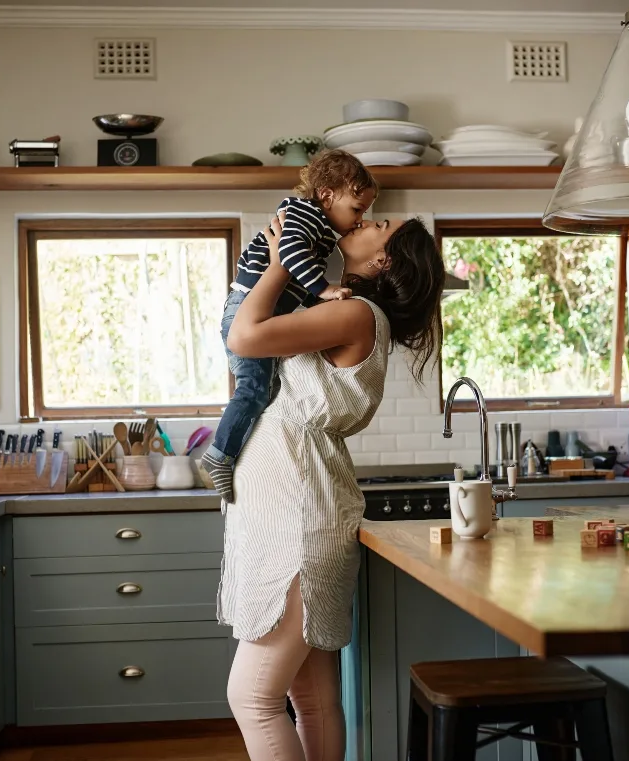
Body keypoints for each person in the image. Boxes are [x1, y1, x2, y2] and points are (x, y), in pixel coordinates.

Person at [219, 209, 444, 761]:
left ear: (384, 258)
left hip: (298, 517)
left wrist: (276, 266)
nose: (369, 218)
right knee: (313, 699)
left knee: (252, 698)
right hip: (302, 505)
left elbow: (243, 336)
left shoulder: (357, 314)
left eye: (381, 223)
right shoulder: (346, 308)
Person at [202, 149, 379, 503]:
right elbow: (290, 254)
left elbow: (293, 278)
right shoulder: (306, 214)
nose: (360, 220)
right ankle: (219, 456)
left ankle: (231, 452)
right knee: (253, 390)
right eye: (357, 209)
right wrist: (324, 289)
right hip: (243, 308)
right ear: (327, 196)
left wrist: (318, 299)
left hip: (255, 308)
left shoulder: (320, 225)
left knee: (262, 390)